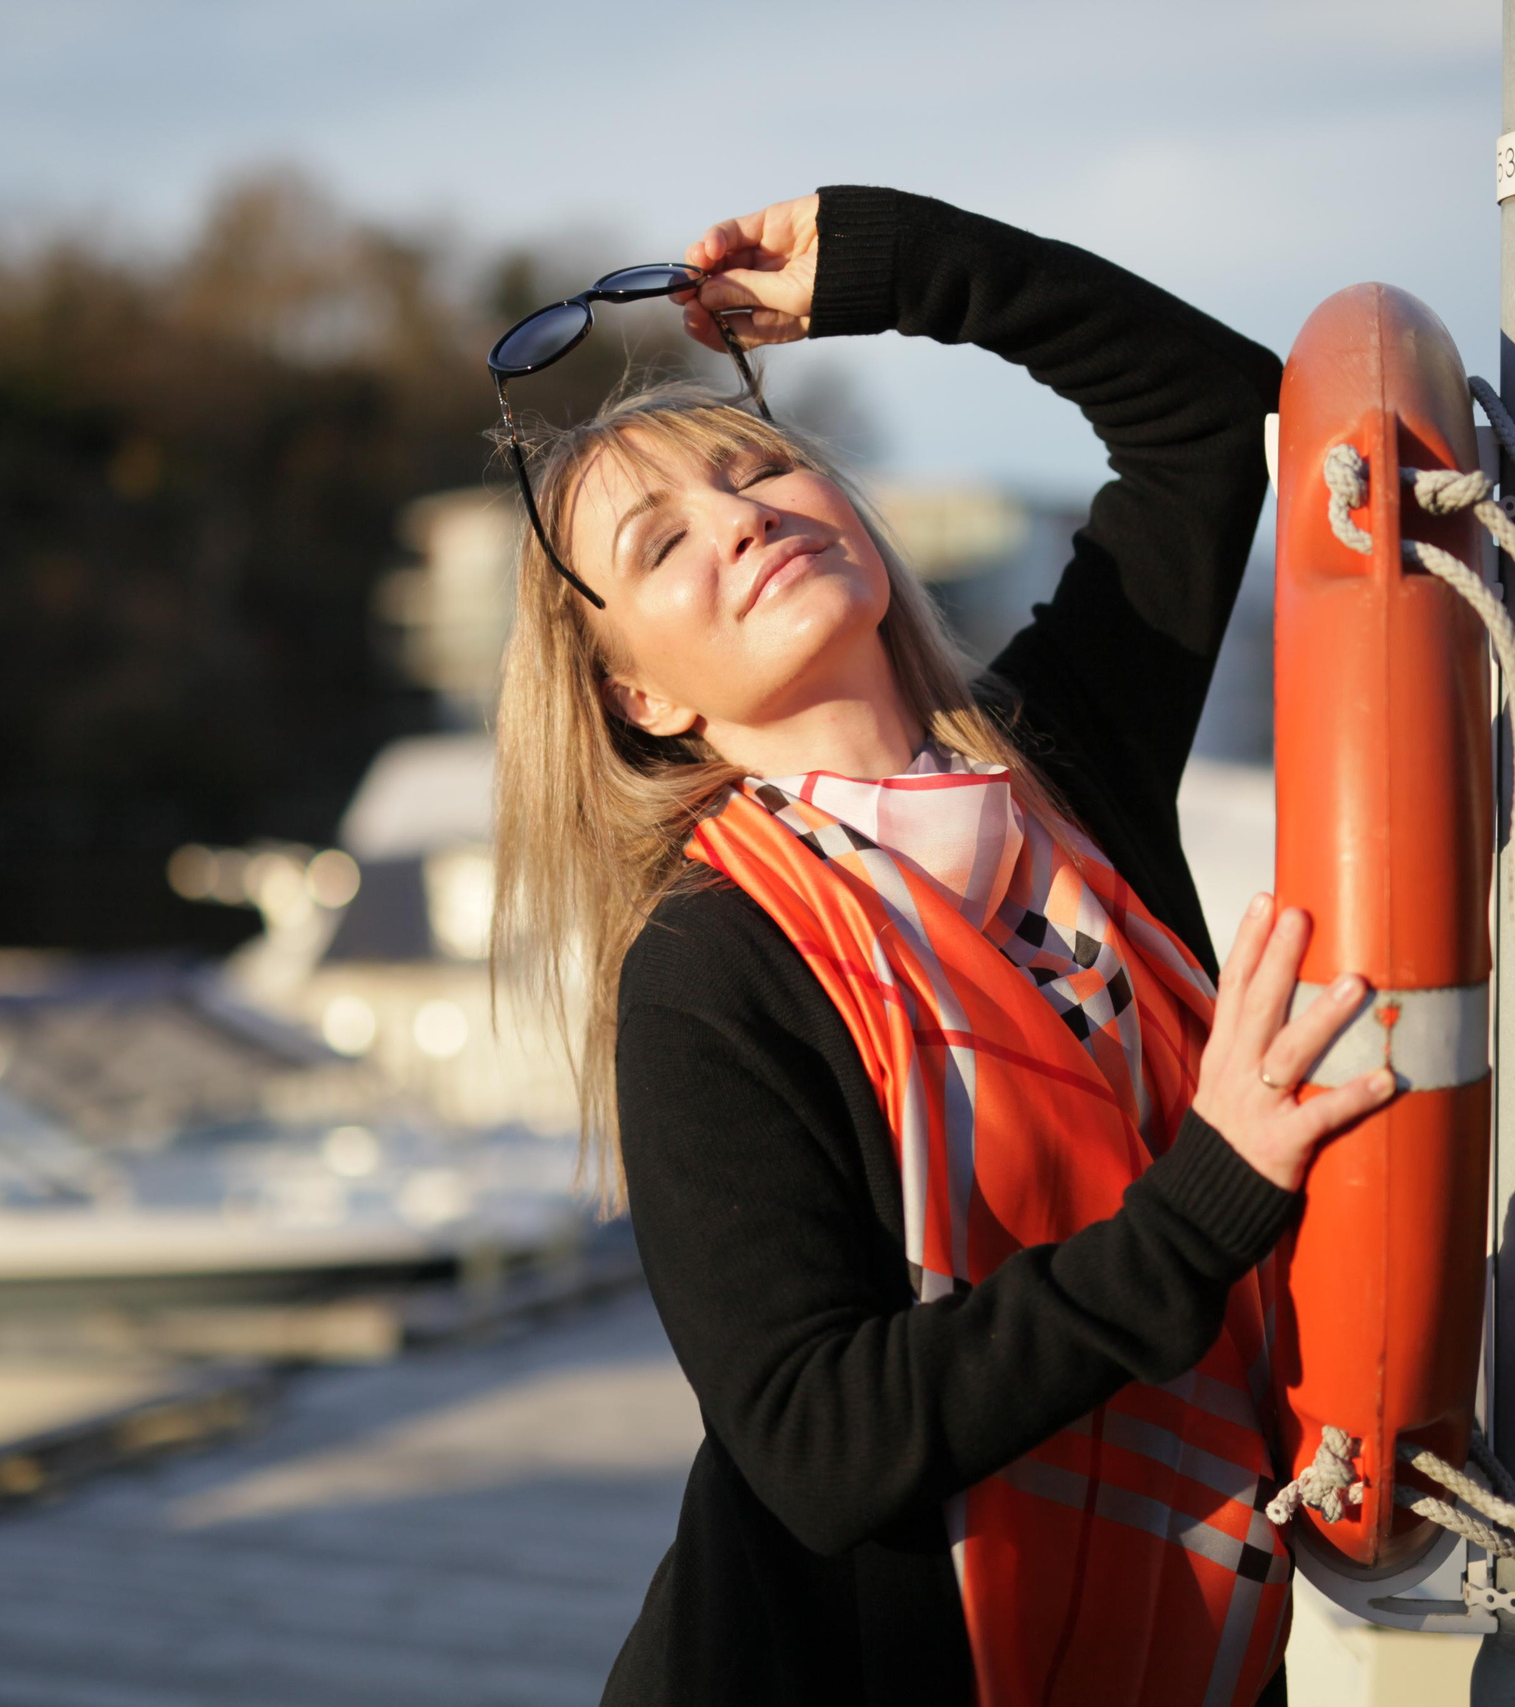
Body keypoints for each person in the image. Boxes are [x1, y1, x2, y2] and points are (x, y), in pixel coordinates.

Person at [488, 187, 1397, 1707]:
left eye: (762, 470)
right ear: (642, 697)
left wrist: (886, 268)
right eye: (665, 545)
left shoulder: (1068, 762)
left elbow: (1207, 413)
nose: (745, 520)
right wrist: (1209, 1200)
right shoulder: (714, 965)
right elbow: (820, 1446)